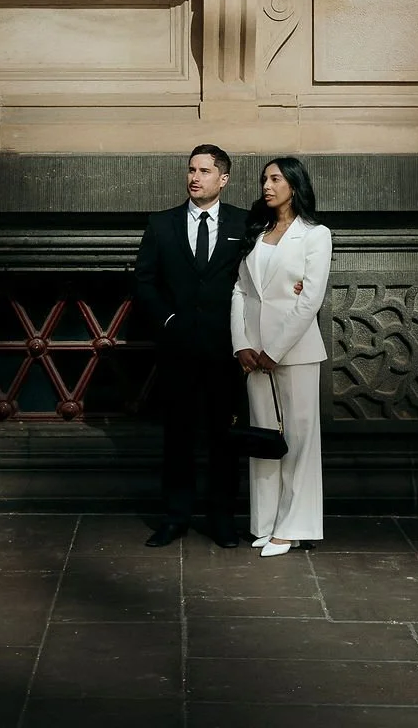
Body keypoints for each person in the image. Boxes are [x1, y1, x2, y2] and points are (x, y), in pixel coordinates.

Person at [133, 144, 247, 548]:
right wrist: (167, 321)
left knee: (224, 438)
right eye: (190, 170)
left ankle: (221, 520)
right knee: (177, 436)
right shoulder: (161, 224)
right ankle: (175, 517)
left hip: (226, 350)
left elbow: (259, 279)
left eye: (203, 171)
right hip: (177, 349)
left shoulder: (244, 224)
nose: (194, 177)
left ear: (223, 179)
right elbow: (144, 281)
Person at [231, 156, 331, 557]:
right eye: (264, 180)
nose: (267, 186)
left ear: (294, 184)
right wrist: (242, 344)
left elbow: (310, 299)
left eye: (275, 179)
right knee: (263, 439)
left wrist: (275, 350)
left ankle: (293, 527)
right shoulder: (257, 231)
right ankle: (266, 523)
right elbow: (239, 289)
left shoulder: (315, 234)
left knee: (300, 441)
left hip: (294, 352)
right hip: (252, 354)